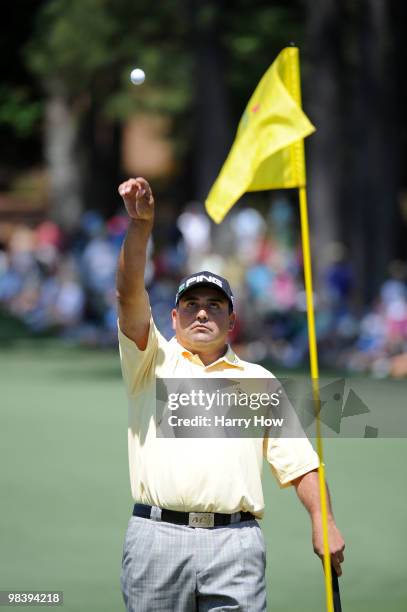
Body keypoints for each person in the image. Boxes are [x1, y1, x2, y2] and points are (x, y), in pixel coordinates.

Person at [116, 177, 345, 612]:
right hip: (158, 538)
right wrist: (140, 227)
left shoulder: (258, 380)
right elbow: (128, 293)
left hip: (235, 544)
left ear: (232, 320)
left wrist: (323, 521)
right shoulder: (151, 359)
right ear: (174, 315)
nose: (201, 312)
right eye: (191, 304)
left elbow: (300, 464)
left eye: (214, 305)